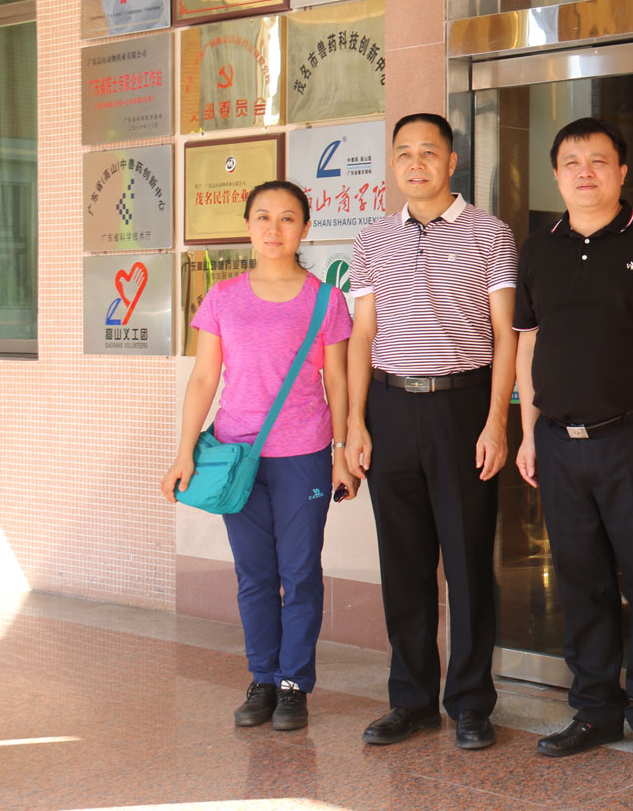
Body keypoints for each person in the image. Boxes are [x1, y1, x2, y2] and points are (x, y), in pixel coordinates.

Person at [512, 118, 633, 765]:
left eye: (598, 160)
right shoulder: (537, 249)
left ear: (622, 172)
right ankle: (595, 709)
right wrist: (527, 433)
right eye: (572, 162)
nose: (584, 172)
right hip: (557, 442)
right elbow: (527, 346)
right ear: (556, 174)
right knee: (581, 580)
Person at [344, 113, 519, 750]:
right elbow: (362, 334)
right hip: (390, 408)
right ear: (393, 164)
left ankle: (470, 703)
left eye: (428, 152)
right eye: (403, 153)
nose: (415, 164)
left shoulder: (490, 234)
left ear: (452, 161)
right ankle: (411, 701)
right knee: (403, 562)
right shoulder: (371, 240)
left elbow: (506, 336)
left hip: (461, 406)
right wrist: (355, 423)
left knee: (468, 562)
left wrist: (497, 421)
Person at [160, 180, 354, 731]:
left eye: (287, 218)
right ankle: (263, 678)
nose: (274, 228)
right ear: (248, 226)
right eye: (263, 217)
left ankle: (294, 684)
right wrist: (184, 453)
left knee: (300, 572)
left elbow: (338, 382)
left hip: (304, 453)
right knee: (253, 574)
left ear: (305, 228)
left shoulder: (326, 300)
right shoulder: (223, 298)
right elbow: (204, 379)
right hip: (235, 456)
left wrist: (341, 453)